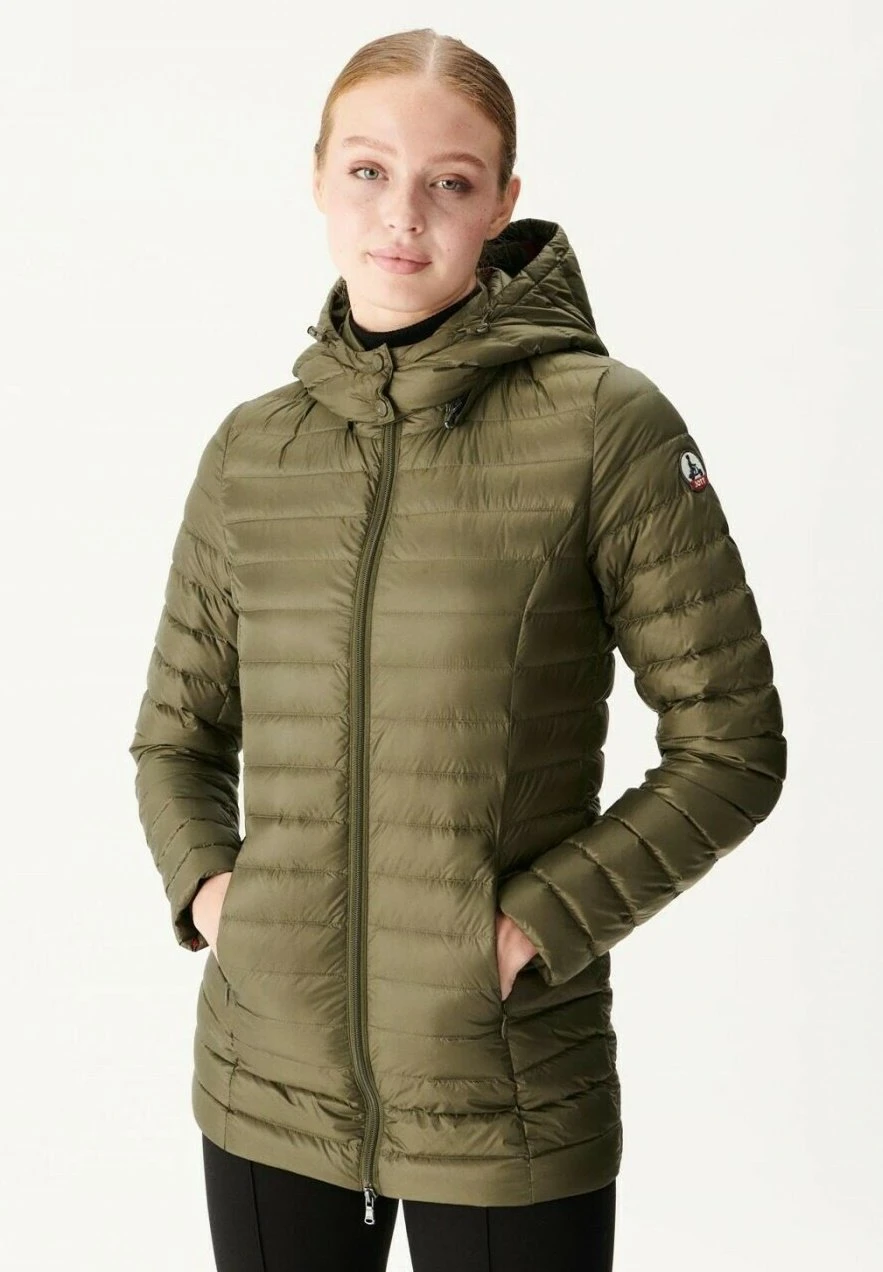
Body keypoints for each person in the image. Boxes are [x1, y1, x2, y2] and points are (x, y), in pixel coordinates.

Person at [129, 26, 787, 1272]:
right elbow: (176, 736)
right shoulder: (252, 451)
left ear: (502, 202)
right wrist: (217, 898)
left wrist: (530, 928)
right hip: (266, 1082)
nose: (403, 214)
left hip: (507, 1084)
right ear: (317, 176)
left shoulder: (607, 427)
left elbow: (733, 747)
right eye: (368, 170)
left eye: (451, 181)